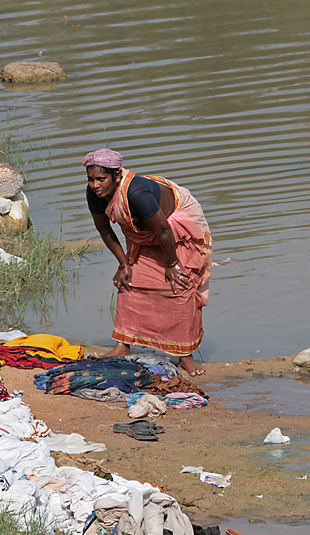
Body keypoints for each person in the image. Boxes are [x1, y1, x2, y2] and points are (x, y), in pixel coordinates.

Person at [82, 148, 213, 376]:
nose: (95, 185)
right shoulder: (95, 194)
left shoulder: (137, 193)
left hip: (173, 228)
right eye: (91, 179)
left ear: (117, 176)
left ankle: (185, 356)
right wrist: (123, 264)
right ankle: (122, 346)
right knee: (129, 283)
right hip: (145, 231)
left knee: (180, 287)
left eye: (101, 179)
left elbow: (163, 229)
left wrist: (172, 265)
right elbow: (104, 229)